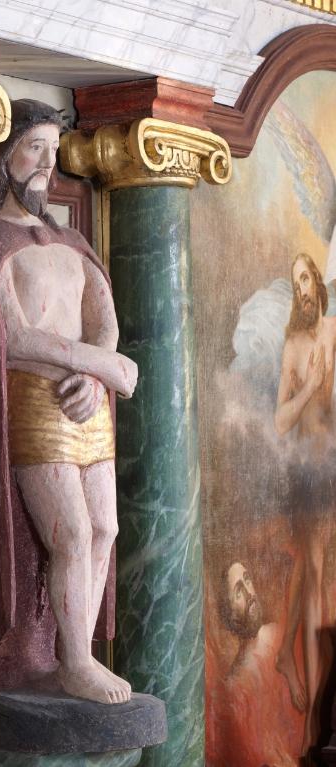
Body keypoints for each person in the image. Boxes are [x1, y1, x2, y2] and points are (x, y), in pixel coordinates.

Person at [0, 99, 137, 704]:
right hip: (37, 400)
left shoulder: (73, 241)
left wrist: (93, 375)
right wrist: (103, 366)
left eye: (53, 151)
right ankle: (77, 662)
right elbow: (12, 338)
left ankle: (77, 654)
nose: (47, 163)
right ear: (2, 156)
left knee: (105, 528)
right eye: (34, 147)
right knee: (70, 532)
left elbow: (104, 323)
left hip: (87, 402)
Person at [274, 253, 336, 754]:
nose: (302, 290)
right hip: (308, 474)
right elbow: (279, 423)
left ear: (318, 280)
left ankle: (285, 656)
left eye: (306, 279)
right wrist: (311, 386)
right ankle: (318, 719)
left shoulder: (333, 332)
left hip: (332, 469)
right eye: (295, 284)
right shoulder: (294, 347)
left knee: (311, 570)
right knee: (314, 572)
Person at [207, 561, 303, 767]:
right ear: (229, 613)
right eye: (238, 592)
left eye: (247, 580)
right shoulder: (235, 686)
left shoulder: (279, 636)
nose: (249, 592)